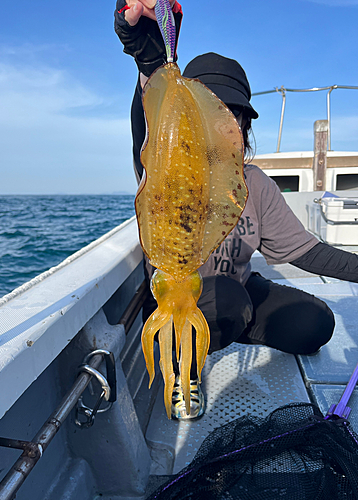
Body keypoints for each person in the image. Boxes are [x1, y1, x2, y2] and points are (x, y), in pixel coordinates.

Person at [115, 0, 358, 420]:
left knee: (315, 323)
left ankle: (230, 326)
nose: (225, 124)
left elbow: (304, 252)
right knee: (226, 299)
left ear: (243, 125)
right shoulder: (162, 167)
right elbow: (147, 121)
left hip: (236, 293)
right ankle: (187, 366)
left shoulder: (255, 182)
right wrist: (149, 58)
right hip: (181, 302)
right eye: (214, 113)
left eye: (234, 115)